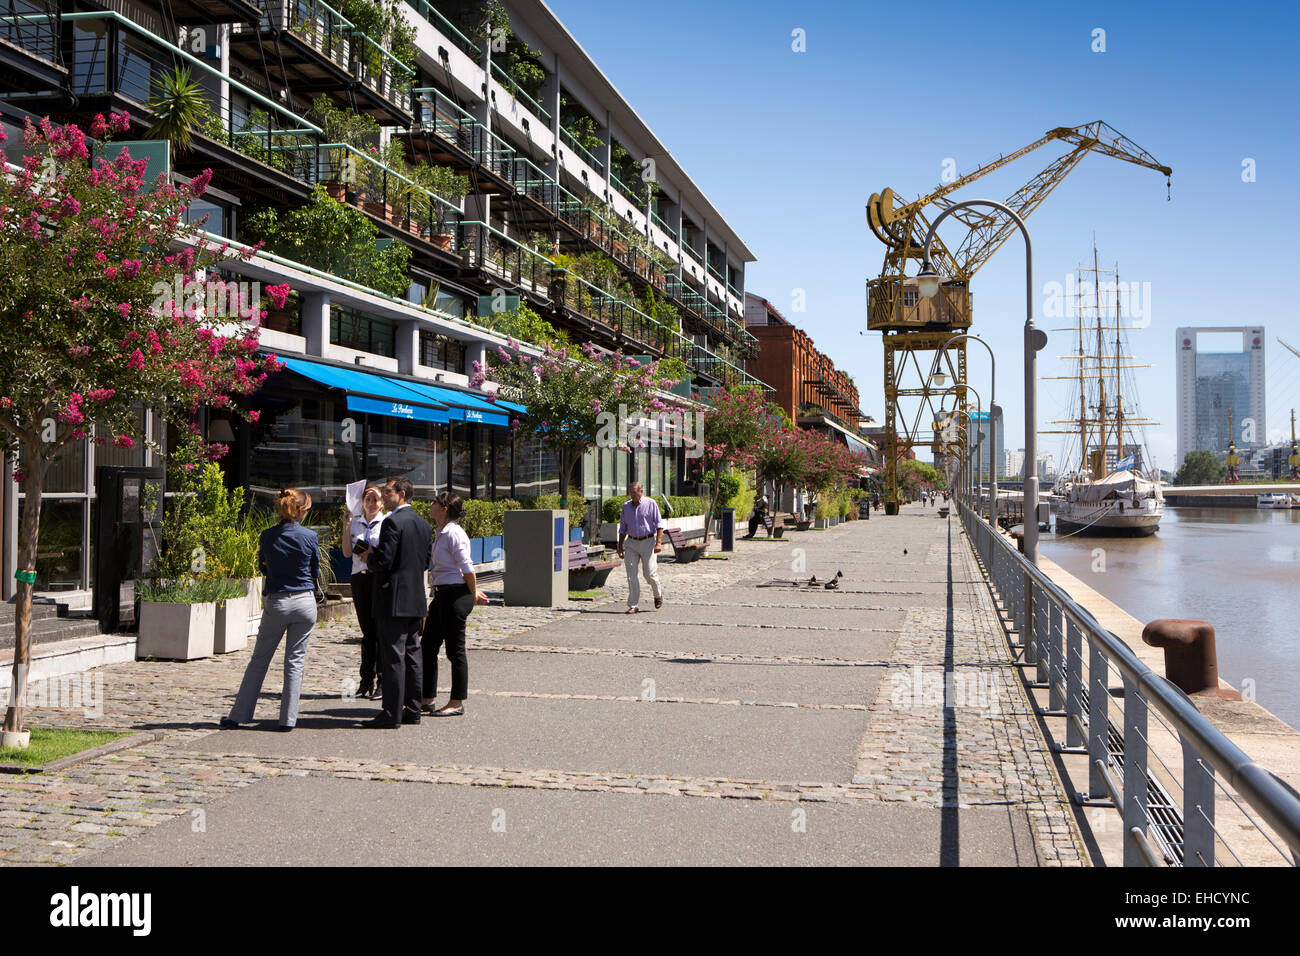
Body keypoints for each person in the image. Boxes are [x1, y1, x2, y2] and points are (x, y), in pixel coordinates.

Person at [222, 488, 319, 732]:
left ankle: (239, 714)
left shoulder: (267, 535)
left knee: (260, 659)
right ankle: (288, 719)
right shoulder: (309, 536)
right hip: (305, 600)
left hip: (278, 600)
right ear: (301, 510)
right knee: (295, 661)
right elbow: (315, 571)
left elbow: (262, 566)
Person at [363, 476, 433, 728]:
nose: (384, 495)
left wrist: (368, 558)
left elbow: (384, 561)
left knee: (393, 655)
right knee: (413, 654)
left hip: (393, 598)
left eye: (387, 491)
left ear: (401, 493)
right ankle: (413, 709)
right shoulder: (424, 524)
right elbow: (426, 561)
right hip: (414, 597)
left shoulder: (393, 522)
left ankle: (391, 713)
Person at [422, 492, 489, 717]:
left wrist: (473, 592)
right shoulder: (441, 532)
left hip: (455, 595)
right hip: (442, 594)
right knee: (428, 645)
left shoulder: (454, 533)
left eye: (434, 502)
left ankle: (456, 701)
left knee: (455, 650)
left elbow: (467, 568)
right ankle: (427, 698)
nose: (430, 505)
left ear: (443, 508)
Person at [341, 486, 386, 699]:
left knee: (380, 631)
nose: (371, 503)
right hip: (359, 577)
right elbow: (347, 552)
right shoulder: (356, 522)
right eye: (367, 499)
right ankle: (365, 680)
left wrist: (371, 553)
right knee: (367, 632)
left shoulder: (386, 523)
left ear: (382, 503)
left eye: (375, 500)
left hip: (377, 577)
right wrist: (346, 527)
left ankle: (382, 680)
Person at [616, 481, 664, 614]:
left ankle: (657, 594)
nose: (632, 495)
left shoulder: (650, 504)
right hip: (631, 543)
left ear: (641, 492)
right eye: (631, 492)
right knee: (631, 575)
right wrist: (620, 547)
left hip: (648, 541)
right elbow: (623, 528)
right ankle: (633, 605)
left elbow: (659, 525)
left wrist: (658, 543)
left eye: (634, 492)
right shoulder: (626, 507)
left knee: (649, 574)